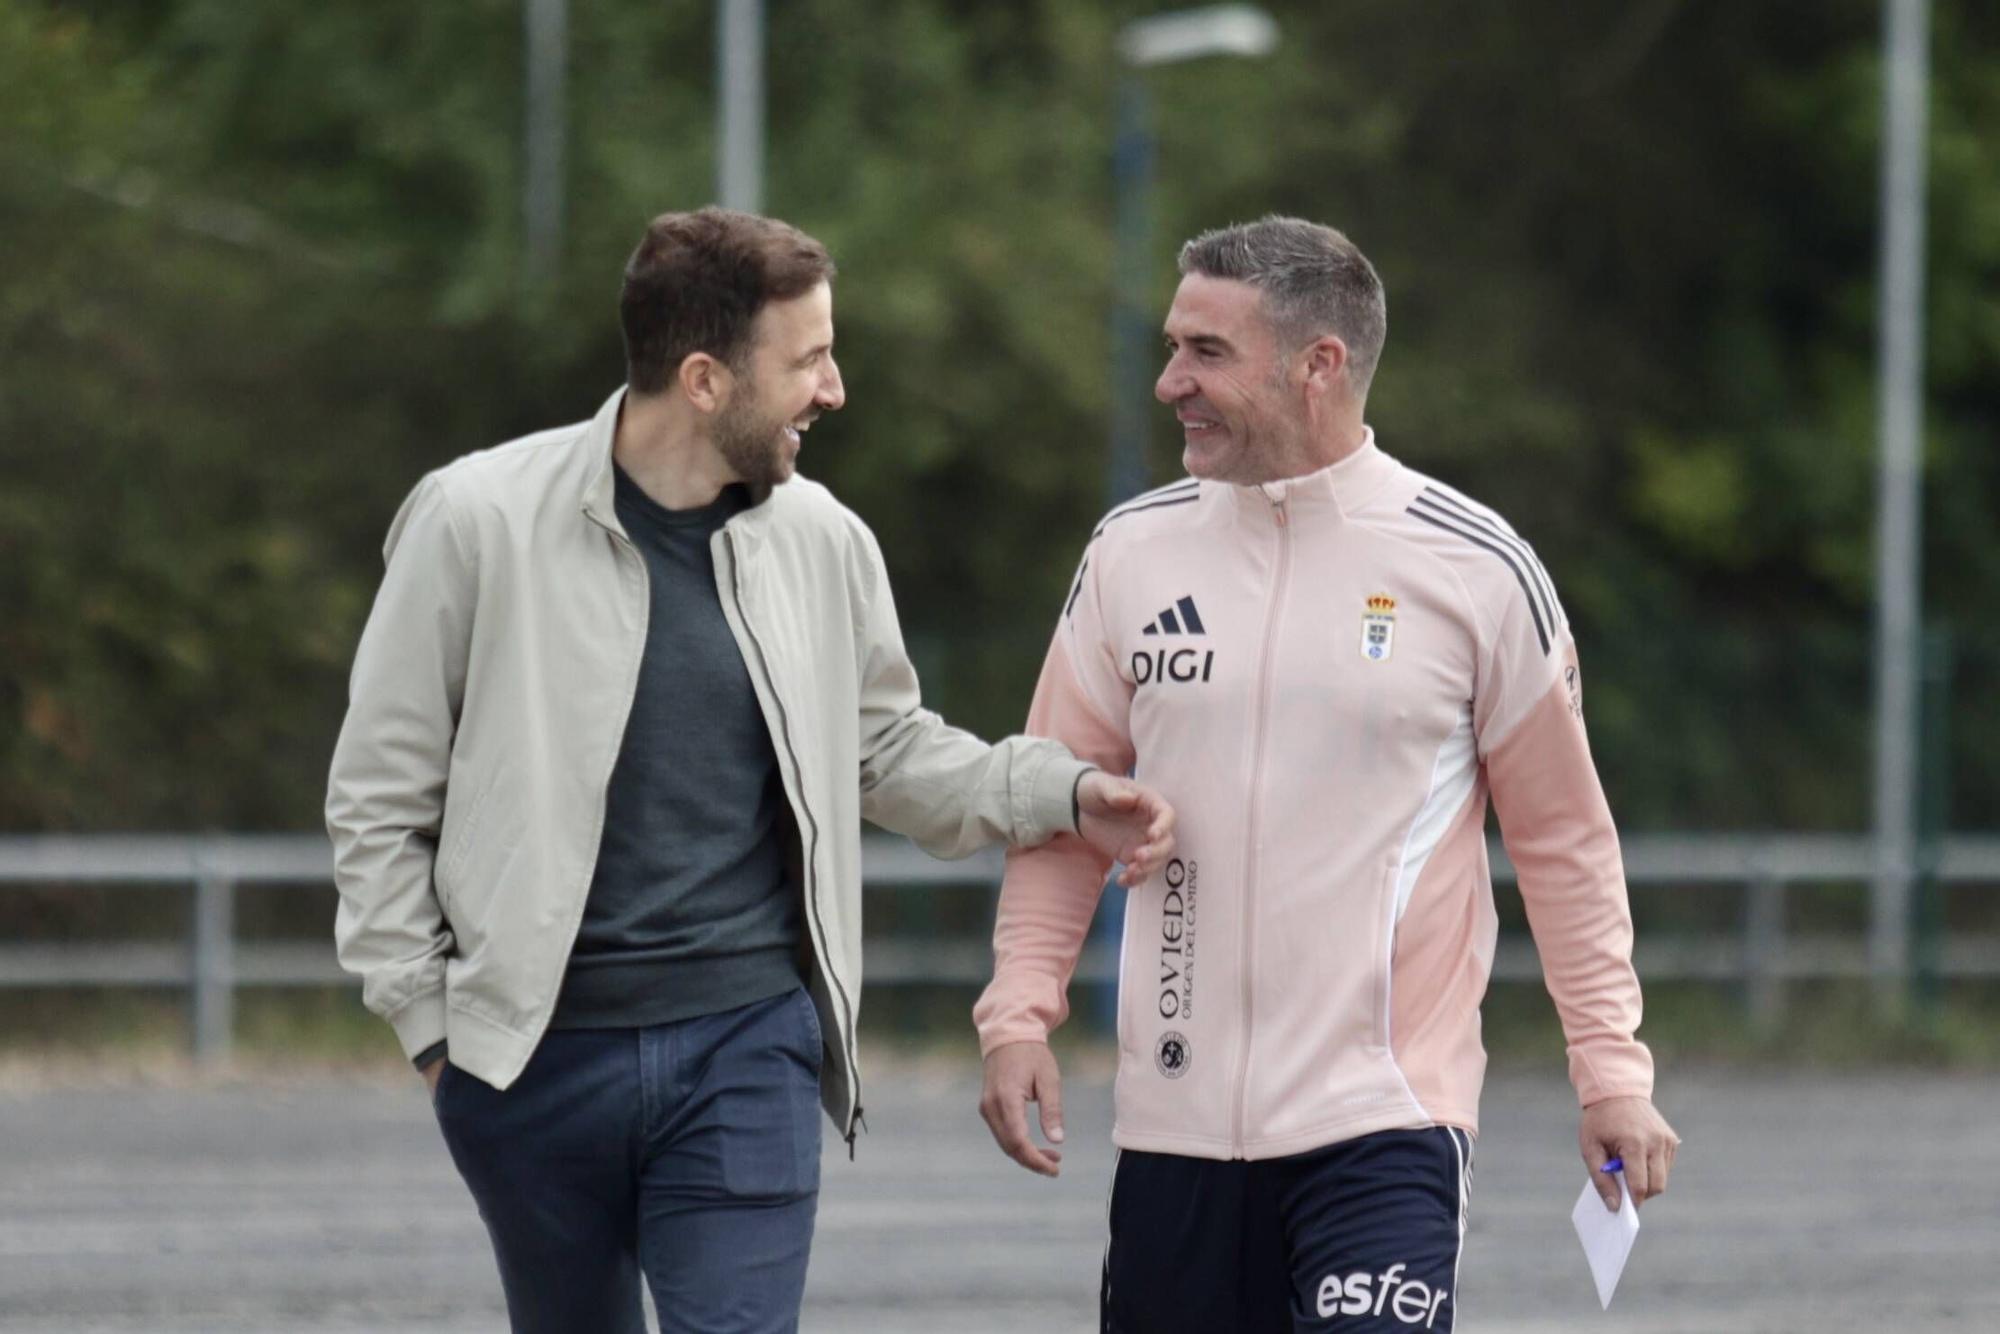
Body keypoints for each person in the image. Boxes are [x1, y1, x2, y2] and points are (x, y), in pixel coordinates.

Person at [325, 207, 1175, 1334]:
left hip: (747, 1046)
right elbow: (379, 798)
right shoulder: (474, 521)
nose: (834, 389)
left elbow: (885, 748)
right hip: (529, 1067)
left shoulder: (823, 540)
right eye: (808, 360)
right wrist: (434, 1034)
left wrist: (1057, 789)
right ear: (705, 380)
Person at [975, 216, 1677, 1332]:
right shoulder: (1127, 553)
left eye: (1206, 352)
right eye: (1172, 346)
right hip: (1173, 1130)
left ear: (1318, 365)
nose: (1169, 382)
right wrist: (1017, 1014)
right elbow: (1057, 804)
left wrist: (1611, 1075)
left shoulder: (1477, 566)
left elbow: (1564, 843)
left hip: (1385, 1123)